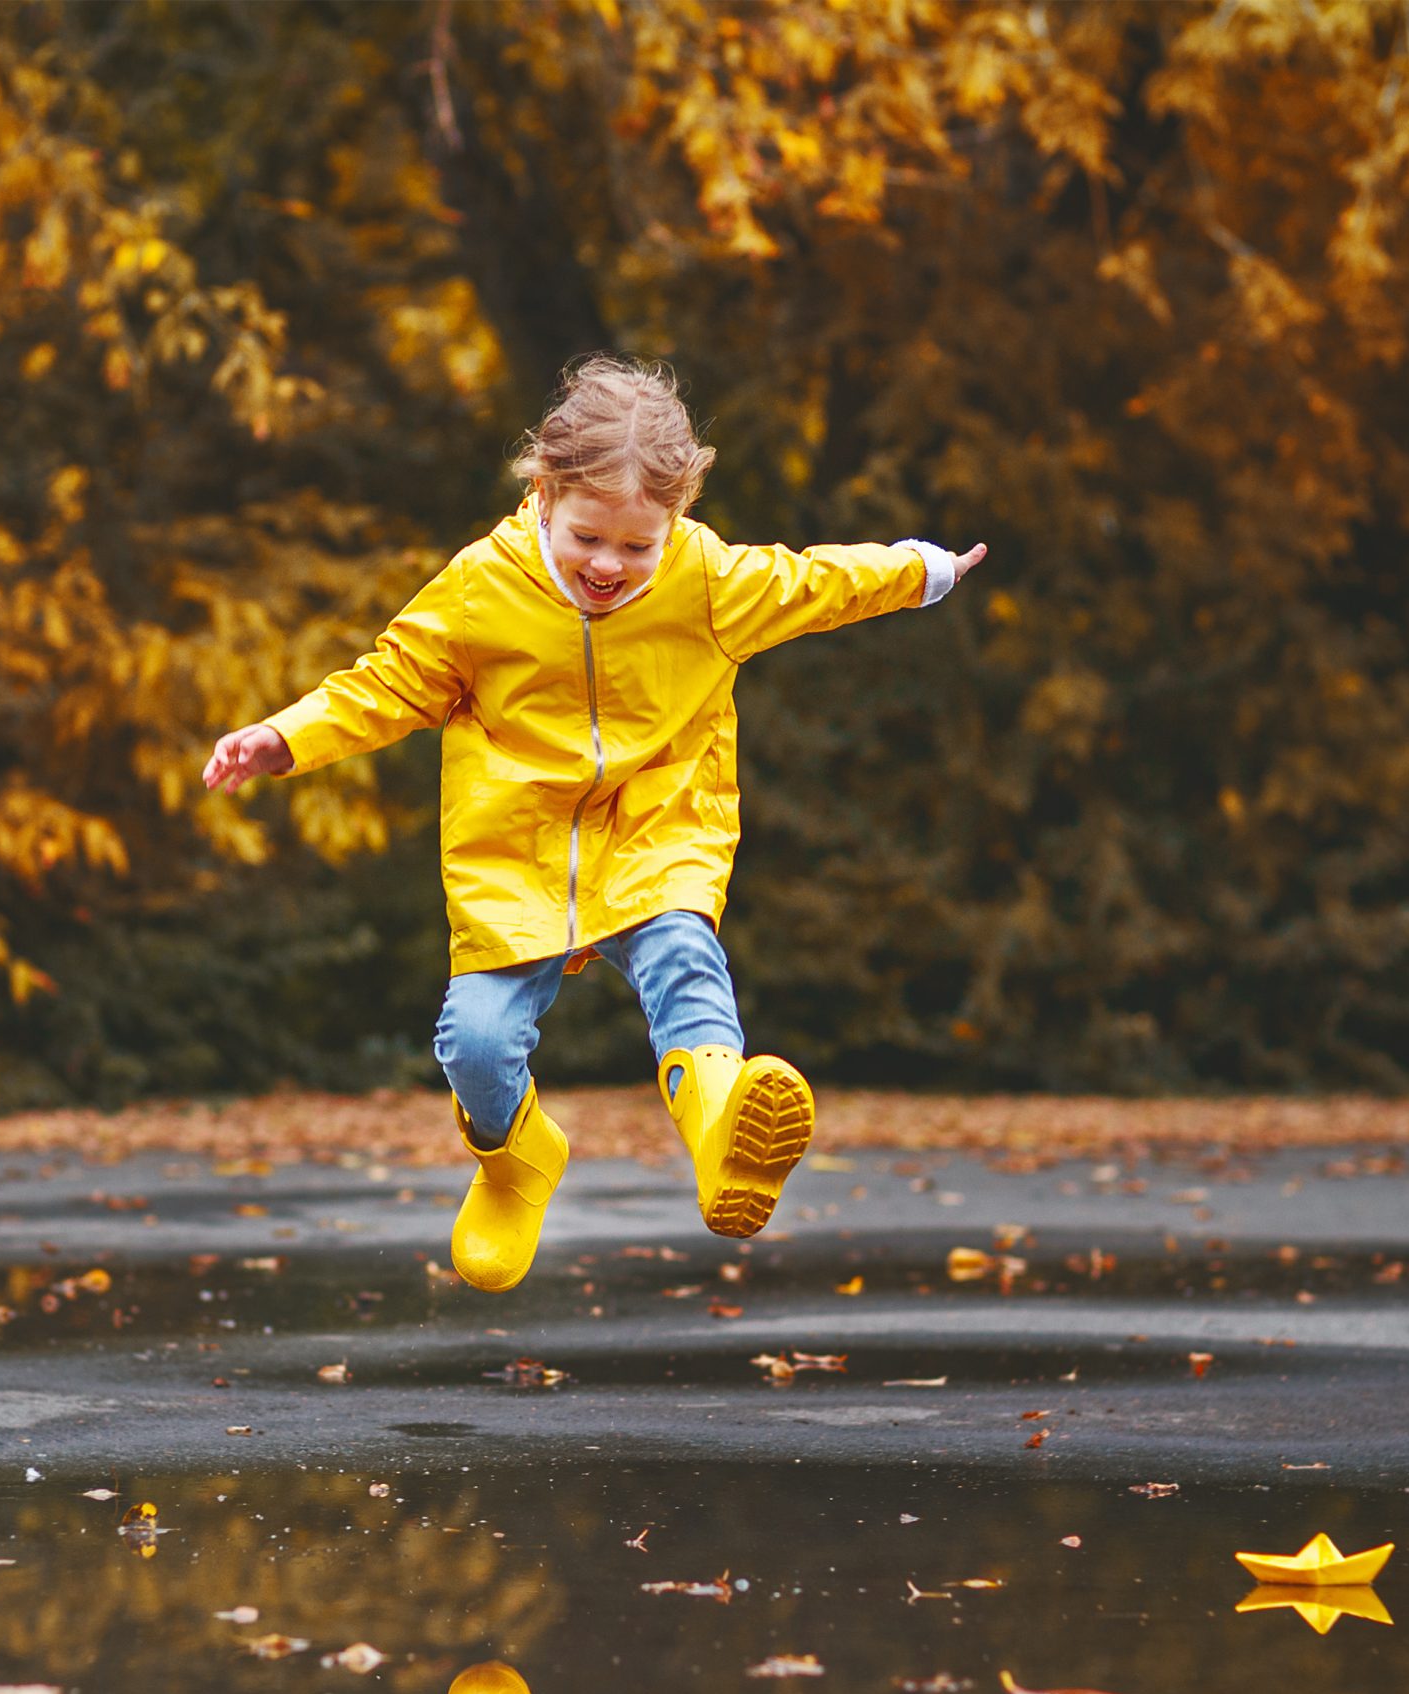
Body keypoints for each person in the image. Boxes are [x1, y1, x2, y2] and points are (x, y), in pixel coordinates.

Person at [203, 355, 984, 1291]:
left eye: (638, 545)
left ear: (677, 521)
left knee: (685, 960)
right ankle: (516, 1160)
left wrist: (925, 569)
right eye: (589, 539)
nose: (611, 565)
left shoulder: (703, 580)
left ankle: (722, 1136)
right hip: (516, 853)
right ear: (544, 492)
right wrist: (282, 739)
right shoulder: (478, 591)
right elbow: (386, 684)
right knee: (476, 1045)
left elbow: (815, 584)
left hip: (660, 827)